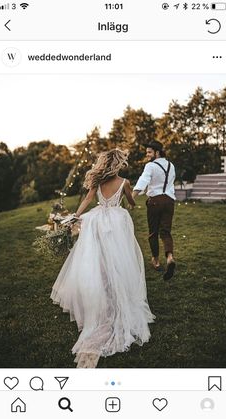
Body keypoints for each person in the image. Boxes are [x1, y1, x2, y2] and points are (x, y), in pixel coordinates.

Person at [51, 149, 155, 368]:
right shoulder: (125, 182)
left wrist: (76, 217)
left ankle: (104, 289)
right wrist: (133, 204)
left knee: (99, 258)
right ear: (118, 164)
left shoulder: (97, 182)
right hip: (117, 222)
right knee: (120, 257)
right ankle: (117, 293)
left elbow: (88, 200)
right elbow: (130, 203)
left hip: (97, 221)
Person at [132, 141, 176, 280]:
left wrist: (132, 198)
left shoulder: (150, 166)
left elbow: (142, 181)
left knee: (153, 232)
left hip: (155, 201)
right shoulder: (171, 165)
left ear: (157, 152)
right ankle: (169, 257)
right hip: (169, 201)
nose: (147, 155)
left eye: (149, 152)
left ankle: (156, 261)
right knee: (166, 231)